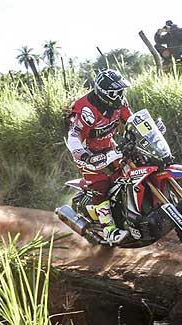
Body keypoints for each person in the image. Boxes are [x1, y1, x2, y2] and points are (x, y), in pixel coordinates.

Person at [66, 68, 132, 244]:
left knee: (130, 172)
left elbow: (131, 121)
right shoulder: (85, 110)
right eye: (115, 93)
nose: (120, 96)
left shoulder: (119, 103)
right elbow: (73, 137)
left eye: (121, 91)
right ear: (103, 94)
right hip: (88, 154)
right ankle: (108, 229)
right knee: (100, 185)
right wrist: (85, 156)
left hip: (109, 147)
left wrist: (147, 130)